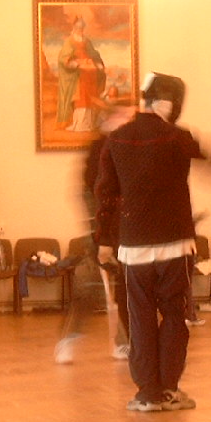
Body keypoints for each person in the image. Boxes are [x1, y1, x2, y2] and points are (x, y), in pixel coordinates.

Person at [96, 72, 211, 411]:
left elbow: (105, 193)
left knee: (140, 318)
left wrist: (103, 240)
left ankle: (147, 394)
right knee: (173, 316)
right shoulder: (177, 137)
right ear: (168, 103)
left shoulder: (117, 139)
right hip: (175, 244)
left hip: (134, 247)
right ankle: (168, 389)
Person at [57, 105, 132, 364]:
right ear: (109, 121)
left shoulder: (124, 148)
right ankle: (68, 339)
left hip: (122, 231)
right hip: (102, 233)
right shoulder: (98, 150)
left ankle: (122, 343)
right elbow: (94, 196)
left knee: (126, 287)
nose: (128, 121)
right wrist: (102, 239)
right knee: (90, 287)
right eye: (123, 117)